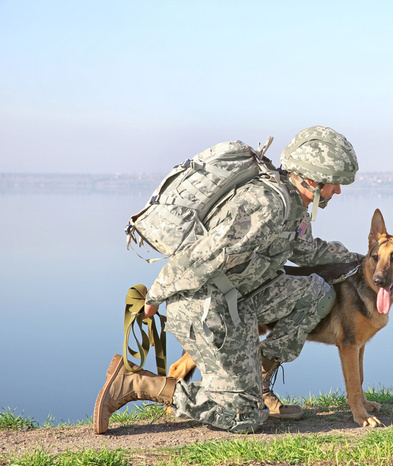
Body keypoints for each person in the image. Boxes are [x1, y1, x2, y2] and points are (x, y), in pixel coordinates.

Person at [94, 125, 362, 434]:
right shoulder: (267, 205)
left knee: (317, 293)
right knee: (244, 417)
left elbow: (306, 251)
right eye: (335, 184)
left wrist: (361, 259)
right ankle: (135, 383)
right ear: (313, 179)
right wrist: (156, 295)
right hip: (203, 306)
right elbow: (200, 256)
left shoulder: (294, 205)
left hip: (239, 297)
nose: (338, 191)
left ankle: (256, 384)